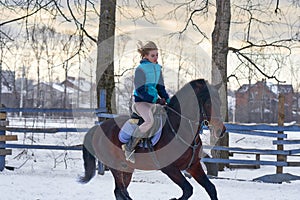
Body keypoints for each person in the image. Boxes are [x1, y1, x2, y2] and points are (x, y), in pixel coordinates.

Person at [123, 41, 170, 163]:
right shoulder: (140, 70)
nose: (155, 58)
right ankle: (130, 146)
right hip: (141, 103)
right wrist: (156, 100)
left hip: (154, 103)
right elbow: (140, 90)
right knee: (149, 121)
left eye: (157, 55)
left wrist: (169, 101)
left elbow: (161, 88)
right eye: (153, 55)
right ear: (145, 56)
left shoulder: (158, 69)